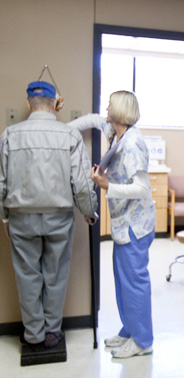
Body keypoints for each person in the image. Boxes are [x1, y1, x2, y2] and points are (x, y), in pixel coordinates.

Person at [0, 80, 98, 350]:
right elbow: (81, 183)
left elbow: (1, 182)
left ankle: (33, 334)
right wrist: (89, 212)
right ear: (56, 103)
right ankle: (52, 333)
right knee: (55, 275)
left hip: (21, 217)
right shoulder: (69, 136)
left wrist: (5, 217)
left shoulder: (10, 134)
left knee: (27, 276)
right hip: (59, 217)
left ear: (29, 102)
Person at [68, 90, 155, 359]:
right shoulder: (115, 132)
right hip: (123, 223)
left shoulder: (133, 144)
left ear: (119, 110)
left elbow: (141, 189)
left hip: (135, 225)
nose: (105, 108)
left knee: (134, 282)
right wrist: (61, 131)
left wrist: (107, 186)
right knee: (122, 281)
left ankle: (143, 341)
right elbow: (92, 120)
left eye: (109, 105)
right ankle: (129, 331)